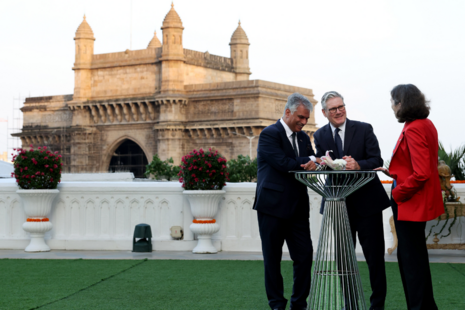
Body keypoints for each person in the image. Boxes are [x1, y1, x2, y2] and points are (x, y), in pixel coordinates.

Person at [313, 91, 390, 310]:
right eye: (333, 109)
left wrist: (358, 165)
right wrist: (318, 163)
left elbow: (376, 160)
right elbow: (321, 161)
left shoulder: (364, 128)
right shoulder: (319, 135)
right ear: (324, 112)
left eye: (341, 107)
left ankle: (377, 306)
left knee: (375, 260)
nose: (339, 112)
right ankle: (350, 305)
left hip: (368, 205)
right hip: (338, 205)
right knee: (344, 261)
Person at [375, 84, 443, 310]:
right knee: (414, 259)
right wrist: (393, 172)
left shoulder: (413, 128)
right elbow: (419, 165)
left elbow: (422, 172)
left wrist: (397, 192)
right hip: (417, 201)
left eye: (393, 102)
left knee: (411, 262)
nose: (392, 107)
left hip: (409, 202)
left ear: (402, 103)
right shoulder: (426, 124)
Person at [253, 93, 318, 310]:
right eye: (300, 117)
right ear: (288, 112)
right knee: (272, 261)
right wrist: (310, 160)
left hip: (298, 209)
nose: (303, 122)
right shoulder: (269, 134)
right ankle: (277, 306)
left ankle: (299, 305)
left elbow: (310, 161)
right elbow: (283, 163)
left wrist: (315, 163)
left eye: (306, 119)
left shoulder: (303, 137)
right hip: (271, 208)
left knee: (305, 257)